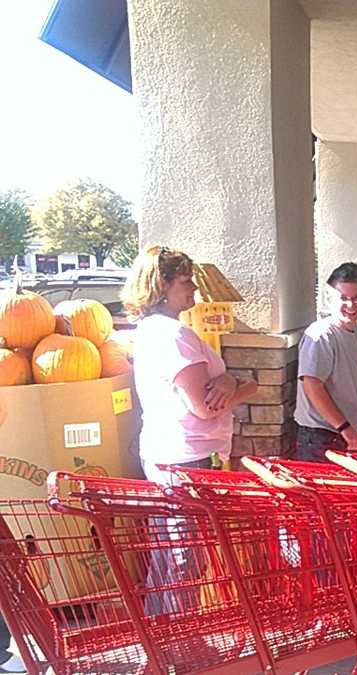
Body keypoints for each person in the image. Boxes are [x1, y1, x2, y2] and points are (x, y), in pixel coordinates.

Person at [121, 245, 259, 617]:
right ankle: (175, 641)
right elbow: (204, 405)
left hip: (173, 455)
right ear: (161, 286)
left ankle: (163, 634)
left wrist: (228, 381)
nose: (194, 288)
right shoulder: (174, 335)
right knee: (184, 558)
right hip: (188, 460)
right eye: (185, 281)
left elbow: (211, 390)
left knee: (171, 556)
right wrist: (245, 387)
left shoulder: (153, 331)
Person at [294, 263, 357, 459]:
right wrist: (345, 428)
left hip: (350, 436)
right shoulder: (320, 335)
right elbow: (312, 385)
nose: (350, 306)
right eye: (343, 298)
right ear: (329, 297)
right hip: (320, 438)